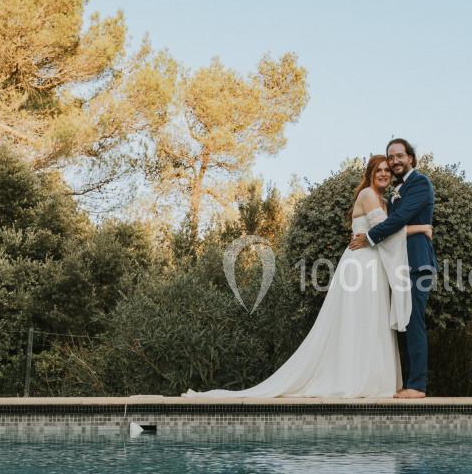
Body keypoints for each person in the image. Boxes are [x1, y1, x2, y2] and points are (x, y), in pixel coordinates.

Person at [185, 155, 432, 398]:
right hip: (360, 265)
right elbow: (383, 231)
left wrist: (414, 228)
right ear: (369, 173)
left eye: (387, 170)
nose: (384, 174)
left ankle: (373, 379)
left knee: (372, 320)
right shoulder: (368, 195)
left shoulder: (384, 200)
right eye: (378, 169)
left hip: (375, 265)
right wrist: (422, 227)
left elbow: (389, 230)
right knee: (357, 320)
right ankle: (355, 379)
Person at [349, 138, 437, 398]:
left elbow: (398, 220)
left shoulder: (420, 183)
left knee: (414, 320)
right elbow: (395, 223)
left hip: (416, 261)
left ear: (411, 157)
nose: (395, 161)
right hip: (397, 264)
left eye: (400, 156)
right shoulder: (395, 191)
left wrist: (370, 237)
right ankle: (408, 383)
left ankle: (418, 386)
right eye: (392, 157)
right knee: (403, 321)